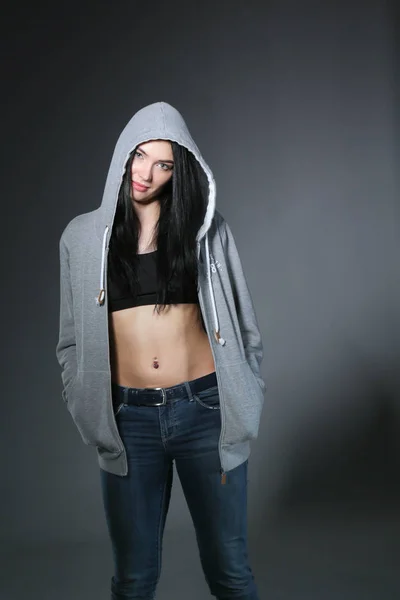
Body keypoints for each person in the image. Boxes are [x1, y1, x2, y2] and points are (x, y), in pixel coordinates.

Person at [56, 101, 266, 600]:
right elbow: (69, 339)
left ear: (181, 170)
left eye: (163, 164)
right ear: (122, 156)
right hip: (130, 423)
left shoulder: (208, 233)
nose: (146, 173)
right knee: (133, 581)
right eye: (139, 157)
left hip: (205, 413)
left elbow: (246, 329)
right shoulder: (82, 239)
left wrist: (246, 394)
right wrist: (84, 401)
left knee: (230, 574)